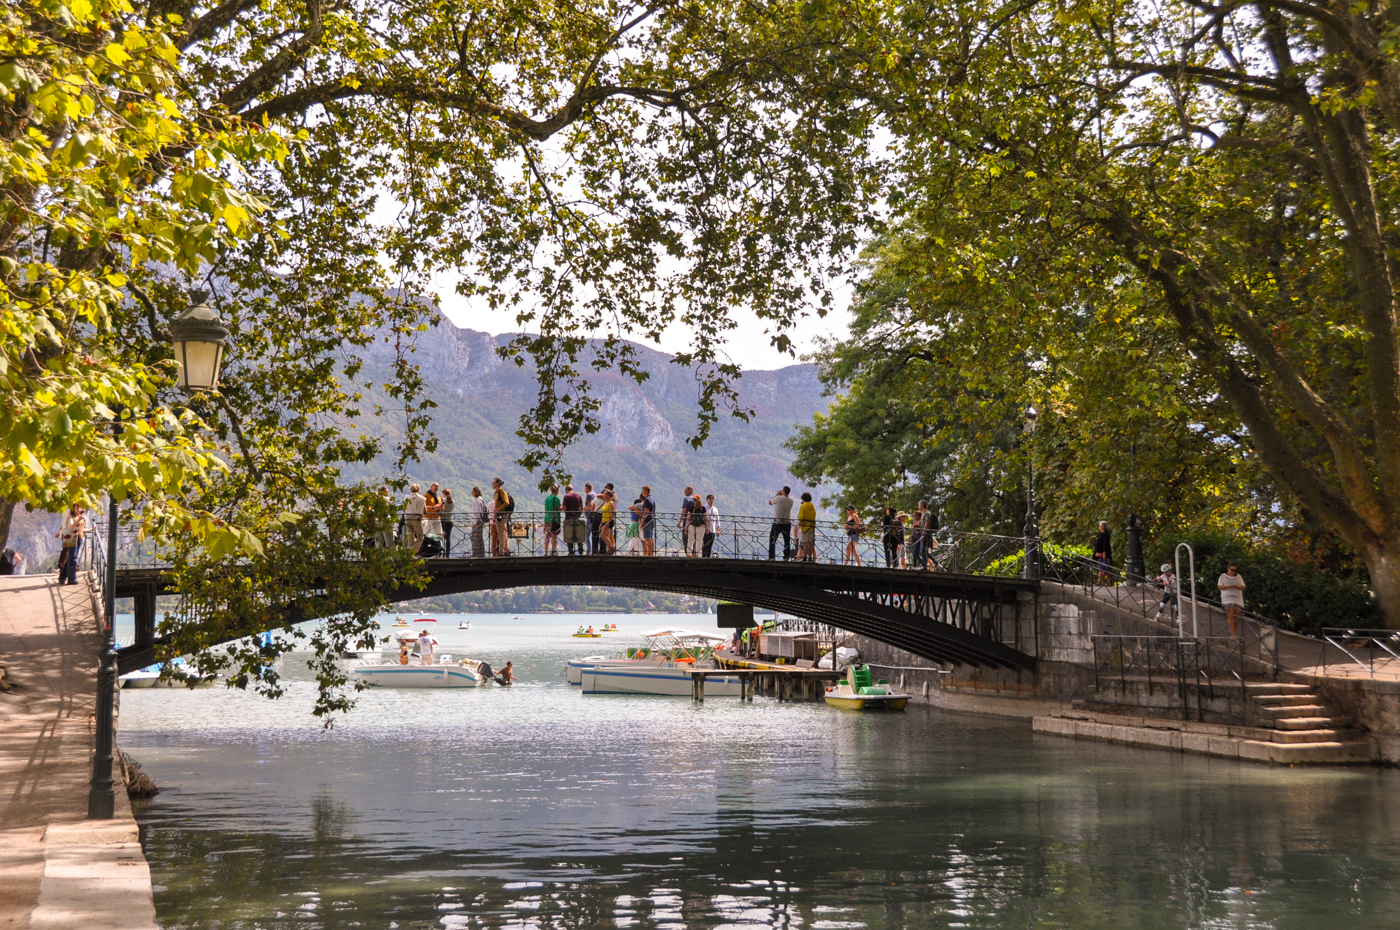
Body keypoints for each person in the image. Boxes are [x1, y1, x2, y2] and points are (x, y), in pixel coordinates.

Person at [1219, 563, 1247, 637]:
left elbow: (1243, 586)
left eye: (1235, 570)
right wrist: (1229, 586)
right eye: (1232, 570)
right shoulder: (1223, 576)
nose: (1233, 572)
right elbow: (1220, 586)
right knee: (1231, 615)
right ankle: (1232, 633)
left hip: (1237, 598)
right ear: (1228, 568)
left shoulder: (1238, 577)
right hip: (1228, 598)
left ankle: (1234, 631)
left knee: (1237, 616)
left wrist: (1237, 586)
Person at [768, 487, 794, 560]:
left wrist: (777, 494)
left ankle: (772, 557)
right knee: (786, 540)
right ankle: (786, 557)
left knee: (773, 539)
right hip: (787, 522)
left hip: (777, 522)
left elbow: (770, 502)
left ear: (783, 491)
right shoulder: (791, 501)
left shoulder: (778, 498)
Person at [561, 484, 585, 555]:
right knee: (579, 533)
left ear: (566, 490)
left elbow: (564, 508)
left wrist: (562, 508)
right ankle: (580, 551)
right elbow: (581, 507)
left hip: (568, 517)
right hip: (577, 517)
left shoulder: (566, 497)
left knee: (569, 534)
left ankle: (571, 552)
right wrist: (579, 514)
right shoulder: (578, 496)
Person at [491, 478, 512, 556]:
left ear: (498, 483)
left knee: (501, 533)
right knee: (502, 533)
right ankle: (506, 550)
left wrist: (498, 510)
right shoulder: (496, 493)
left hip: (502, 515)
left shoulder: (501, 492)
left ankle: (501, 551)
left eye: (493, 482)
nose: (492, 484)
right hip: (499, 515)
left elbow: (506, 502)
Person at [909, 500, 932, 569]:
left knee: (923, 551)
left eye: (919, 505)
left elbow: (927, 524)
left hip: (925, 534)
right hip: (923, 534)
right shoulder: (923, 514)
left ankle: (925, 567)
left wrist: (923, 533)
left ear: (921, 506)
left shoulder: (926, 513)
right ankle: (924, 566)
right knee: (922, 551)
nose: (918, 507)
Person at [796, 492, 817, 561]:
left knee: (805, 543)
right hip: (812, 526)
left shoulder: (803, 506)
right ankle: (810, 557)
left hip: (805, 527)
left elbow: (801, 517)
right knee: (810, 543)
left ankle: (804, 557)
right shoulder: (812, 506)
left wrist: (800, 521)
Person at [1093, 520, 1114, 586]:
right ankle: (1099, 582)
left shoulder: (1105, 534)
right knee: (1101, 567)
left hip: (1105, 553)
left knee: (1107, 566)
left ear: (1102, 527)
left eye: (1099, 526)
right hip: (1101, 553)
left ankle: (1108, 582)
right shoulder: (1102, 534)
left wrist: (1104, 553)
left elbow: (1105, 544)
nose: (1099, 527)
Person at [543, 485, 561, 556]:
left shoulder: (547, 498)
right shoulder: (556, 498)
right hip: (554, 519)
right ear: (556, 490)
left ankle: (546, 552)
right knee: (554, 535)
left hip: (547, 518)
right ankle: (553, 551)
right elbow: (559, 509)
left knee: (547, 535)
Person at [584, 483, 602, 555]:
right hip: (597, 517)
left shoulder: (589, 495)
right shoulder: (596, 494)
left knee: (587, 535)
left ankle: (589, 550)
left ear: (587, 488)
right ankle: (596, 549)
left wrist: (583, 509)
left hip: (589, 517)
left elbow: (589, 506)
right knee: (595, 534)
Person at [470, 486, 487, 557]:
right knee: (479, 538)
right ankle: (481, 553)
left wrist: (475, 522)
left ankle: (476, 553)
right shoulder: (481, 500)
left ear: (475, 492)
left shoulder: (477, 501)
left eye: (473, 492)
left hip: (477, 521)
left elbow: (477, 512)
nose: (472, 493)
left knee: (475, 538)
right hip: (480, 521)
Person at [640, 486, 657, 556]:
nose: (642, 493)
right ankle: (651, 554)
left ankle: (649, 555)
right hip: (652, 520)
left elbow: (646, 512)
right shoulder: (652, 499)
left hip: (647, 520)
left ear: (646, 491)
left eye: (643, 491)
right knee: (651, 537)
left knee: (647, 538)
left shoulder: (647, 500)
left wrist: (641, 522)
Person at [600, 489, 618, 554]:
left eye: (605, 494)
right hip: (604, 520)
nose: (603, 495)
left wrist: (608, 522)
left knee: (602, 535)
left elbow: (611, 513)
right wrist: (601, 523)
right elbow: (603, 514)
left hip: (609, 521)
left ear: (608, 496)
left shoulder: (611, 503)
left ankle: (612, 547)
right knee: (606, 536)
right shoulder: (605, 503)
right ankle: (609, 550)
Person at [440, 489, 456, 556]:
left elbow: (440, 509)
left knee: (442, 537)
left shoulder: (443, 500)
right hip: (450, 520)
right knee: (448, 537)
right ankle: (447, 554)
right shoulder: (453, 501)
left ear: (444, 493)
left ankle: (441, 553)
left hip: (443, 520)